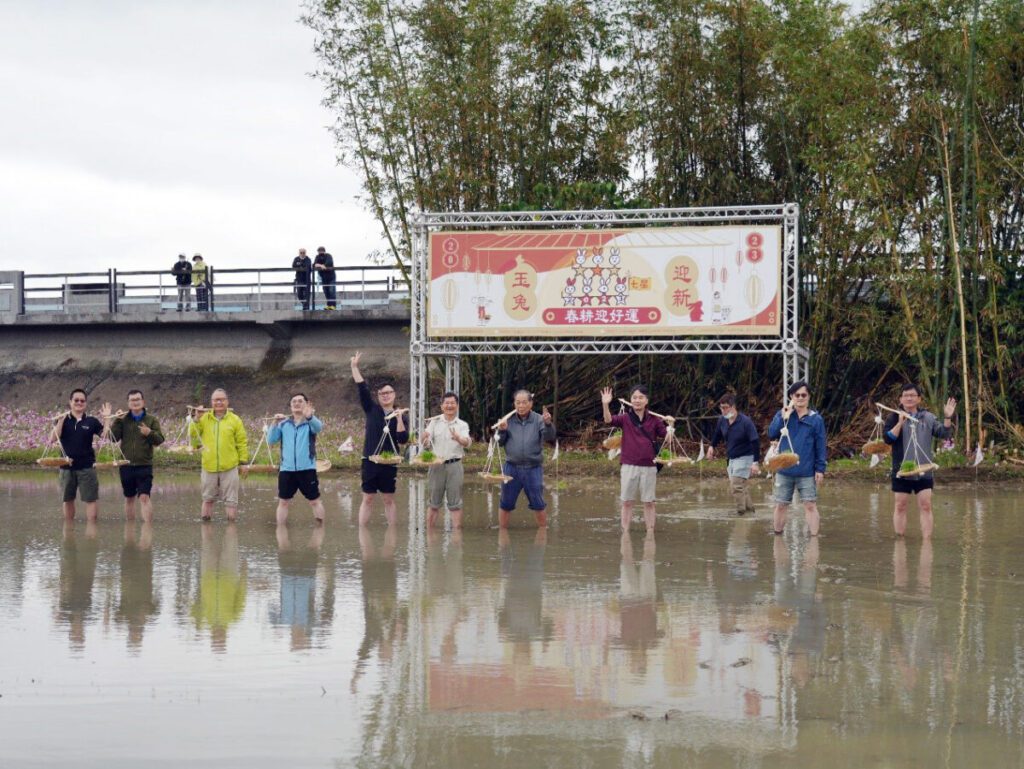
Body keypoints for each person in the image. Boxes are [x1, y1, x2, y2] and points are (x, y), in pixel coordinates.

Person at [883, 384, 956, 538]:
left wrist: (948, 417)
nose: (909, 398)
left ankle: (927, 542)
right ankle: (900, 540)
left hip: (924, 470)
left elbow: (944, 433)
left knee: (926, 505)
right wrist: (900, 423)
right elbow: (888, 439)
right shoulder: (893, 417)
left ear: (919, 399)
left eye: (912, 395)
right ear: (901, 399)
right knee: (900, 506)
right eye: (906, 395)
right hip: (901, 470)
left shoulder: (927, 417)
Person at [351, 351, 408, 525]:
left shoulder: (401, 415)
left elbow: (403, 440)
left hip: (390, 461)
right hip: (370, 460)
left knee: (388, 499)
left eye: (388, 393)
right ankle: (363, 532)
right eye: (382, 393)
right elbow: (362, 388)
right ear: (378, 396)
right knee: (367, 498)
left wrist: (398, 418)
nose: (385, 395)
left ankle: (392, 531)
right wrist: (354, 367)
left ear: (394, 395)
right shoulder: (371, 409)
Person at [600, 385, 667, 533]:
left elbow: (666, 437)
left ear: (646, 400)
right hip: (629, 465)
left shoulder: (655, 420)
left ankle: (650, 532)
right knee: (627, 502)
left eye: (640, 397)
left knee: (649, 502)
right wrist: (605, 404)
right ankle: (625, 532)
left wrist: (671, 426)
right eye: (634, 398)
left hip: (649, 466)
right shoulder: (625, 418)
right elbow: (608, 420)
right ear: (631, 400)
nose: (637, 400)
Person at [766, 381, 826, 536]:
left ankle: (814, 538)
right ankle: (777, 535)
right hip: (784, 470)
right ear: (791, 397)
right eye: (796, 395)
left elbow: (820, 446)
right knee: (781, 505)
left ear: (808, 397)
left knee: (810, 505)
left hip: (806, 471)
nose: (800, 398)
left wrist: (820, 469)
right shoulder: (784, 415)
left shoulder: (816, 419)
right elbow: (772, 433)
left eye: (803, 395)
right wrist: (782, 415)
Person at [497, 390, 556, 529]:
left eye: (524, 402)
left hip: (533, 468)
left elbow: (549, 437)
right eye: (518, 402)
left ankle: (543, 531)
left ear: (531, 403)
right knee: (506, 502)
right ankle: (502, 531)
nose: (521, 405)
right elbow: (499, 442)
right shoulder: (508, 419)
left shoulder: (539, 419)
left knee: (538, 502)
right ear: (514, 404)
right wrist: (502, 430)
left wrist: (548, 423)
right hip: (511, 467)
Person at [189, 388, 248, 521]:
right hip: (208, 466)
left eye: (222, 399)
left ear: (227, 401)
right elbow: (193, 436)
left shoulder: (235, 420)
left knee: (231, 502)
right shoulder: (204, 418)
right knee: (207, 499)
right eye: (216, 400)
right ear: (211, 402)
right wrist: (196, 419)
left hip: (230, 467)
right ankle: (206, 533)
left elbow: (242, 442)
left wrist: (243, 463)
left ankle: (231, 531)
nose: (219, 402)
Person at [53, 389, 112, 522]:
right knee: (67, 499)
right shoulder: (62, 419)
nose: (79, 403)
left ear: (85, 403)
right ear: (70, 402)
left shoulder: (91, 421)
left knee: (90, 499)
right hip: (66, 467)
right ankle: (69, 529)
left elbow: (105, 435)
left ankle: (92, 529)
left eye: (82, 401)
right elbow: (52, 438)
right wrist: (60, 421)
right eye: (76, 400)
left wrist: (107, 418)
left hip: (87, 467)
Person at [267, 393, 326, 525]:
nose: (297, 403)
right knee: (283, 501)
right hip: (286, 469)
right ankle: (280, 530)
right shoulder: (284, 424)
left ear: (306, 404)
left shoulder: (310, 423)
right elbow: (270, 440)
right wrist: (274, 423)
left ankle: (320, 528)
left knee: (314, 501)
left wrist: (309, 416)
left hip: (307, 469)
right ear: (290, 406)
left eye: (300, 401)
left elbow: (319, 428)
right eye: (294, 401)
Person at [110, 389, 164, 523]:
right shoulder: (123, 419)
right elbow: (113, 438)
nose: (135, 402)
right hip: (126, 466)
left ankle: (147, 530)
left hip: (144, 465)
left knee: (144, 497)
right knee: (129, 498)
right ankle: (130, 530)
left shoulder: (151, 420)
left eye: (138, 399)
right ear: (128, 403)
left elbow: (160, 440)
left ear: (143, 402)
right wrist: (117, 420)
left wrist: (149, 433)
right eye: (132, 400)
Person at [421, 391, 471, 529]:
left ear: (457, 406)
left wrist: (458, 438)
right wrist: (423, 437)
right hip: (436, 465)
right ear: (442, 406)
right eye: (447, 403)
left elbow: (466, 442)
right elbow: (426, 442)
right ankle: (430, 534)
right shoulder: (434, 422)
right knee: (433, 502)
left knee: (455, 503)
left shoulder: (462, 424)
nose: (450, 405)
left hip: (454, 465)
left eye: (452, 403)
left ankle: (457, 535)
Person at [707, 392, 761, 516]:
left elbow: (755, 441)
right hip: (731, 458)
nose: (723, 411)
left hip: (746, 457)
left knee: (736, 485)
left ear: (733, 406)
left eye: (725, 407)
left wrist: (755, 462)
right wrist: (711, 446)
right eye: (721, 408)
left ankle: (741, 513)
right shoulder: (722, 420)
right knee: (741, 487)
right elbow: (717, 434)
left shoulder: (745, 422)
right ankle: (750, 512)